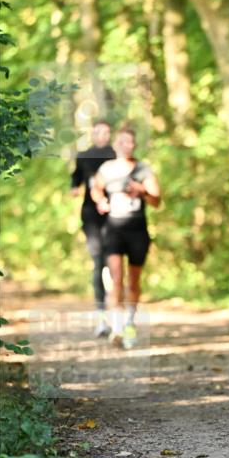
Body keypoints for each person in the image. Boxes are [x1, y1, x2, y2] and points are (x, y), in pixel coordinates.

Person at [89, 126, 160, 350]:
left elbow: (157, 201)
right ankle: (117, 327)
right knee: (116, 277)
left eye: (129, 142)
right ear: (115, 145)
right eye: (121, 142)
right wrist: (100, 200)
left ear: (134, 145)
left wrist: (143, 191)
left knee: (134, 279)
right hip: (113, 229)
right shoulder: (107, 168)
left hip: (137, 229)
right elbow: (95, 188)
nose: (124, 145)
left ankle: (130, 322)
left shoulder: (143, 169)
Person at [70, 119, 115, 336]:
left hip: (116, 216)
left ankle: (119, 316)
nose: (102, 136)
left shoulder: (117, 156)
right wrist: (74, 188)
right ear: (93, 134)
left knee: (114, 264)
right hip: (91, 217)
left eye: (106, 132)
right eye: (98, 132)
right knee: (99, 262)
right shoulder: (84, 156)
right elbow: (76, 176)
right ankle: (101, 319)